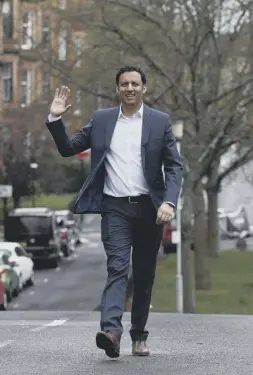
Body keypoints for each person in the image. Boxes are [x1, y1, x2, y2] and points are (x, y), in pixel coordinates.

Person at [45, 66, 183, 358]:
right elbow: (69, 148)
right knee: (118, 267)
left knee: (144, 276)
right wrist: (56, 118)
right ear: (117, 89)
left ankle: (139, 336)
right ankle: (111, 333)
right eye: (124, 84)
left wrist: (169, 202)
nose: (130, 88)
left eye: (135, 83)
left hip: (150, 209)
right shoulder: (103, 120)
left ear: (144, 88)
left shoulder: (160, 122)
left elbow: (174, 167)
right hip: (115, 208)